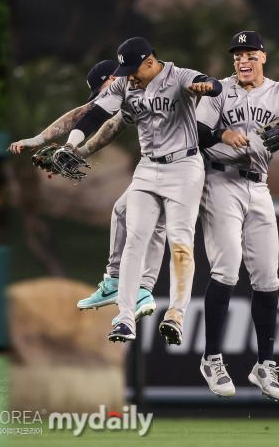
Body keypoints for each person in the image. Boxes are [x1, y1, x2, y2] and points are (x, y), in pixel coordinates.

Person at [196, 31, 279, 400]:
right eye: (237, 54)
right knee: (226, 268)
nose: (243, 60)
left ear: (263, 58)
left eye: (250, 54)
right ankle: (211, 358)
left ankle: (264, 366)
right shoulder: (218, 89)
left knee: (268, 279)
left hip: (259, 187)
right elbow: (198, 130)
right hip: (219, 182)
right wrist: (224, 134)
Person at [63, 37, 222, 345]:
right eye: (126, 69)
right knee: (135, 238)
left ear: (151, 61)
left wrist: (208, 87)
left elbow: (209, 83)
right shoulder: (124, 85)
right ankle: (124, 318)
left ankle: (176, 313)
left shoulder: (179, 76)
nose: (130, 75)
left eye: (135, 68)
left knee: (181, 244)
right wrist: (72, 144)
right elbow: (96, 114)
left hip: (184, 167)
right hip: (148, 169)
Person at [8, 60, 164, 325]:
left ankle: (149, 294)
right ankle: (122, 284)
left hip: (186, 162)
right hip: (166, 163)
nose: (102, 97)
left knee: (164, 232)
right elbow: (94, 119)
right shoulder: (127, 95)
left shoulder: (147, 85)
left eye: (102, 89)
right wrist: (69, 148)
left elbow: (89, 113)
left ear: (113, 78)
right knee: (124, 213)